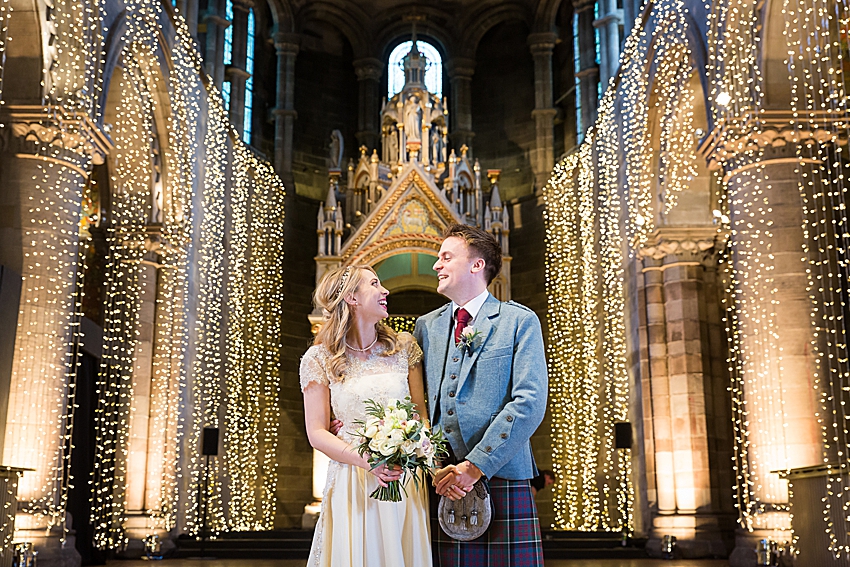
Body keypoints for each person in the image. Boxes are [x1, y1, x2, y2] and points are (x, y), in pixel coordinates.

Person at [414, 224, 548, 566]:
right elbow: (415, 403)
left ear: (477, 266)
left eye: (446, 257)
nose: (436, 266)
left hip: (500, 475)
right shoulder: (426, 326)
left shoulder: (518, 321)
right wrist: (436, 468)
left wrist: (476, 466)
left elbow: (529, 402)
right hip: (442, 480)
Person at [300, 264, 432, 567]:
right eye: (375, 284)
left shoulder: (404, 348)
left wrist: (416, 450)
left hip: (403, 479)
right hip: (353, 478)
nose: (385, 290)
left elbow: (420, 414)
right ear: (351, 298)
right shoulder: (319, 358)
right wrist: (368, 461)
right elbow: (316, 432)